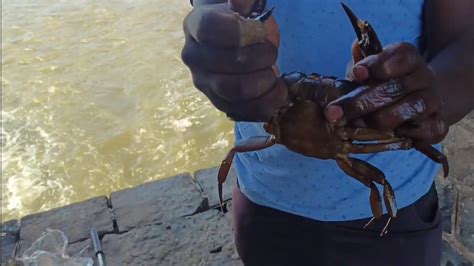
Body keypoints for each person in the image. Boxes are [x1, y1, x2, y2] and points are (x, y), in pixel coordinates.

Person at [182, 0, 474, 265]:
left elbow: (464, 38)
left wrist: (430, 101)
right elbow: (218, 8)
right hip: (265, 203)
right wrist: (213, 27)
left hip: (394, 220)